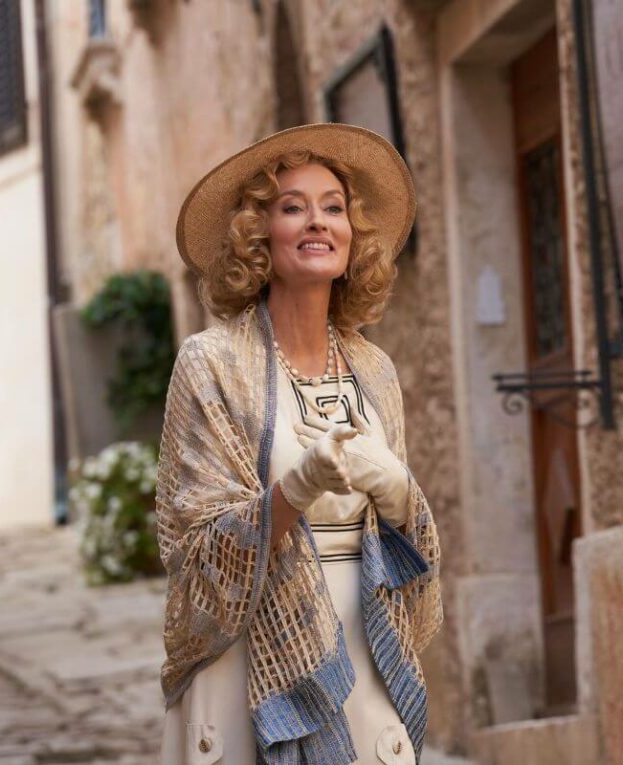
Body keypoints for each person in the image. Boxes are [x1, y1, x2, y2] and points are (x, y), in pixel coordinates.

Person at [157, 124, 442, 765]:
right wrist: (296, 488)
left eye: (334, 207)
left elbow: (412, 554)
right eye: (293, 207)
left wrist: (399, 493)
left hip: (363, 652)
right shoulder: (211, 364)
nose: (319, 222)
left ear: (353, 234)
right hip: (250, 660)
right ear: (257, 236)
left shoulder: (374, 371)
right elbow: (192, 551)